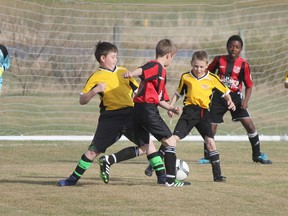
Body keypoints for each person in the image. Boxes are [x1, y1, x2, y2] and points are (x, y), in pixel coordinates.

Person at [58, 41, 166, 186]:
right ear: (103, 58)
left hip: (130, 115)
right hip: (110, 118)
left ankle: (162, 178)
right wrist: (95, 90)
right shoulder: (96, 76)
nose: (116, 59)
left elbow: (137, 91)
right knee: (93, 151)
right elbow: (82, 100)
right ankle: (72, 179)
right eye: (113, 56)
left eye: (116, 56)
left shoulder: (123, 71)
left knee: (148, 145)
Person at [102, 38, 190, 187]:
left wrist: (171, 108)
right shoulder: (157, 66)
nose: (172, 61)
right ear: (168, 55)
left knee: (144, 147)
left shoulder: (161, 73)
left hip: (140, 109)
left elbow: (159, 98)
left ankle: (108, 160)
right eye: (173, 58)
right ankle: (170, 180)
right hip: (146, 109)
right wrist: (131, 73)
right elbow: (143, 69)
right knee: (170, 141)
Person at [145, 51, 236, 182]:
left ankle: (217, 176)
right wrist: (171, 107)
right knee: (173, 139)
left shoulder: (213, 78)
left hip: (204, 114)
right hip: (189, 113)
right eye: (195, 66)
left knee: (211, 143)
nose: (198, 69)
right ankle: (153, 165)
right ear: (191, 64)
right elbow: (178, 93)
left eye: (201, 67)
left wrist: (230, 101)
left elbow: (225, 91)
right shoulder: (186, 77)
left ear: (207, 65)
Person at [197, 35, 272, 165]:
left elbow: (249, 85)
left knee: (249, 125)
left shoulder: (244, 65)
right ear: (227, 47)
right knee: (211, 127)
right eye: (231, 46)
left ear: (241, 49)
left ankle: (257, 154)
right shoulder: (218, 60)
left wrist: (246, 101)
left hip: (236, 98)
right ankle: (208, 156)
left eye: (237, 47)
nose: (233, 49)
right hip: (219, 98)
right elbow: (206, 74)